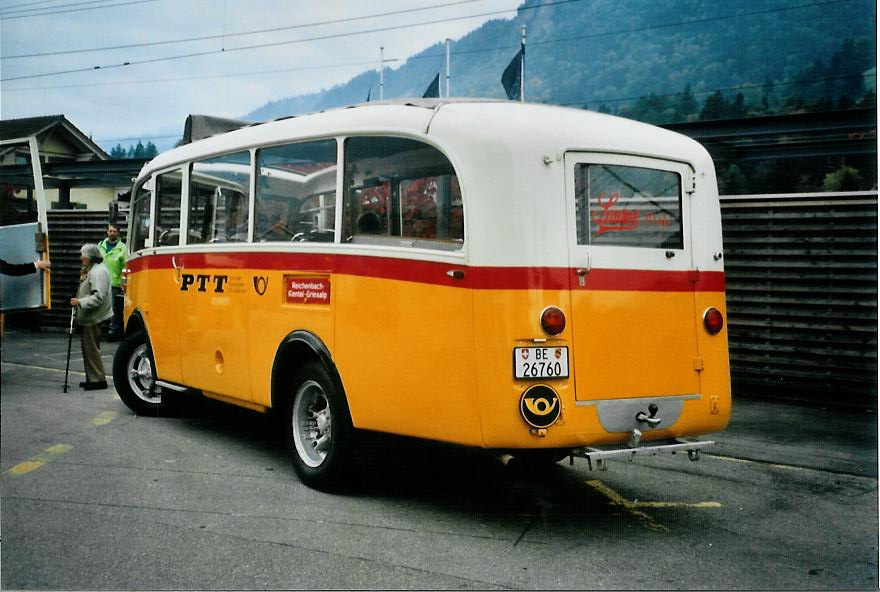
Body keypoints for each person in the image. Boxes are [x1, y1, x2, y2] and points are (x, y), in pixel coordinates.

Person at [71, 244, 112, 390]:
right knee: (89, 349)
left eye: (84, 255)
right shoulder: (94, 270)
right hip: (89, 317)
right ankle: (92, 378)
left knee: (92, 349)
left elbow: (98, 297)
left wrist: (80, 302)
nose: (81, 257)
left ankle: (97, 380)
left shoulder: (97, 272)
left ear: (91, 257)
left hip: (93, 317)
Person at [98, 223, 126, 341]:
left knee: (114, 309)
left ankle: (113, 331)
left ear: (118, 233)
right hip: (100, 282)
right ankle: (99, 330)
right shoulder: (100, 245)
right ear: (107, 232)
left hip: (115, 283)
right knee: (99, 306)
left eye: (114, 231)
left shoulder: (123, 248)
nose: (112, 233)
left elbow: (125, 265)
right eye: (110, 231)